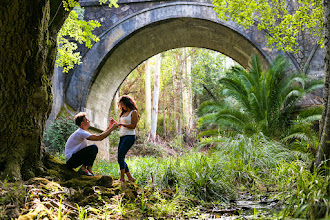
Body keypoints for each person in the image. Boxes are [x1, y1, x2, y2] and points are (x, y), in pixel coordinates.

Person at [116, 95, 139, 182]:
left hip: (129, 137)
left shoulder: (134, 112)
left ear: (126, 103)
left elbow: (133, 126)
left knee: (120, 156)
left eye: (122, 104)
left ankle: (122, 178)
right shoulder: (123, 113)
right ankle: (130, 177)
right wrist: (116, 123)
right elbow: (122, 126)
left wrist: (121, 124)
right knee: (120, 157)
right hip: (122, 136)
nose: (121, 107)